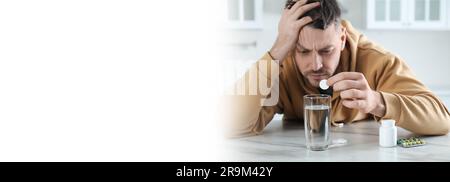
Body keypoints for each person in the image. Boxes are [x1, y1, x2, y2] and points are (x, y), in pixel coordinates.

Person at [223, 0, 450, 137]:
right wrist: (276, 52)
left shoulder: (377, 61)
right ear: (291, 46)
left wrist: (377, 102)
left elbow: (443, 120)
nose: (316, 65)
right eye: (302, 51)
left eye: (326, 50)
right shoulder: (281, 67)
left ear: (342, 38)